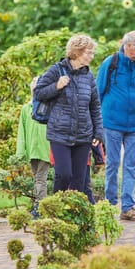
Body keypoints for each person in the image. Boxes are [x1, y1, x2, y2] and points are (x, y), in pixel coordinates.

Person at [34, 34, 103, 197]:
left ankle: (74, 215)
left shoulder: (89, 76)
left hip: (83, 135)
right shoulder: (56, 70)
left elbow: (95, 106)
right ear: (77, 51)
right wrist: (56, 86)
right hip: (59, 133)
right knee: (64, 174)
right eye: (89, 52)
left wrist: (98, 133)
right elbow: (38, 93)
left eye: (92, 53)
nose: (92, 56)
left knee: (79, 180)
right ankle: (56, 210)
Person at [96, 30, 135, 222]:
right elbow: (98, 93)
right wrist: (96, 122)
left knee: (131, 165)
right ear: (128, 46)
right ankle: (110, 205)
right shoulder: (110, 64)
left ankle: (128, 207)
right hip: (111, 123)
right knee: (112, 163)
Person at [16, 77, 51, 218]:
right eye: (34, 83)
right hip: (32, 150)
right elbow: (21, 132)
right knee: (37, 178)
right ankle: (40, 206)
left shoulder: (48, 107)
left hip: (45, 148)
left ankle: (40, 207)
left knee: (40, 178)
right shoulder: (26, 109)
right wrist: (20, 152)